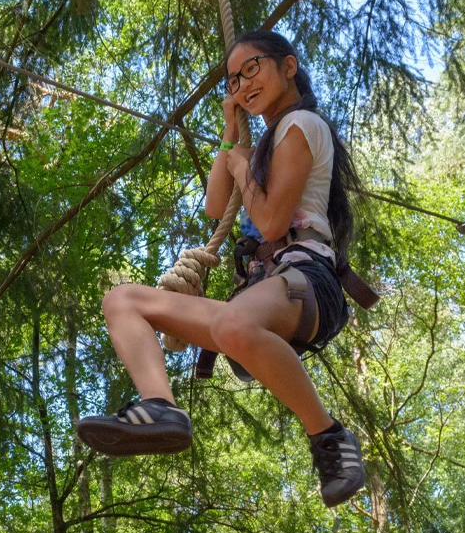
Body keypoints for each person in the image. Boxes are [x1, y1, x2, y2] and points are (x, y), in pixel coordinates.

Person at [75, 30, 368, 508]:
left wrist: (240, 168)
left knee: (234, 323)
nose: (242, 84)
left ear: (288, 66)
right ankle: (160, 406)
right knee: (122, 300)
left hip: (307, 280)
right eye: (233, 78)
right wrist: (231, 137)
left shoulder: (303, 124)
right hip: (263, 292)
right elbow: (216, 206)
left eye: (252, 68)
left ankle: (331, 438)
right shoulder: (265, 142)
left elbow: (272, 221)